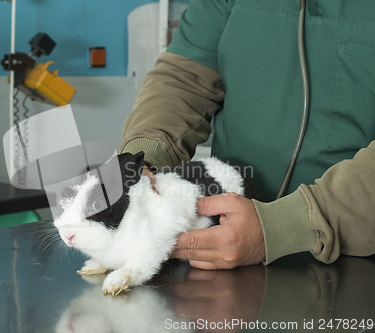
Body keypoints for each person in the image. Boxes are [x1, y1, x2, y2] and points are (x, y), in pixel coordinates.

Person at [119, 0, 375, 269]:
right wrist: (142, 162)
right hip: (223, 253)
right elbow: (183, 79)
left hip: (352, 267)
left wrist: (283, 226)